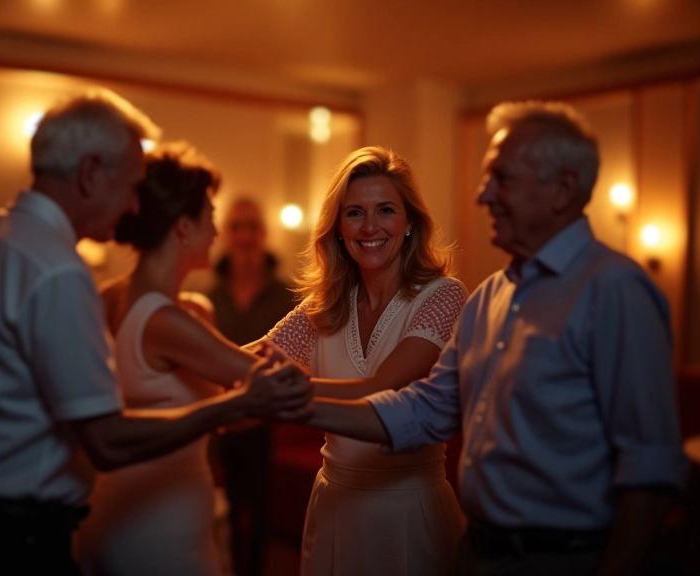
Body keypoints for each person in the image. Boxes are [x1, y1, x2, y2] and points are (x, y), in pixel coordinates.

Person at [0, 92, 312, 576]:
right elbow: (108, 440)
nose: (136, 204)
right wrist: (234, 404)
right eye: (132, 184)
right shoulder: (59, 271)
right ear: (90, 173)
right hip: (12, 539)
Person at [297, 101, 688, 576]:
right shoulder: (489, 299)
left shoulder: (613, 290)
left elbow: (650, 468)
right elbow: (426, 409)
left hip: (565, 558)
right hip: (477, 550)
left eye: (501, 179)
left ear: (562, 189)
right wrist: (291, 403)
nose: (483, 195)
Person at [263, 146, 468, 576]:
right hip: (335, 505)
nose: (370, 226)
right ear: (337, 228)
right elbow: (256, 357)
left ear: (409, 222)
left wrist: (273, 391)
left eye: (386, 210)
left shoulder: (443, 296)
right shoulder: (325, 306)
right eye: (354, 212)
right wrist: (185, 341)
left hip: (408, 509)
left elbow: (381, 388)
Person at [77, 143, 277, 575]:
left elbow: (227, 413)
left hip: (110, 507)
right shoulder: (167, 320)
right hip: (159, 524)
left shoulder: (109, 297)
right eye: (210, 215)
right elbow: (269, 385)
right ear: (183, 226)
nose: (217, 231)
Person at [206, 197, 294, 576]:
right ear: (225, 234)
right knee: (213, 508)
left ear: (264, 233)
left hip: (267, 421)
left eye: (251, 226)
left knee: (258, 512)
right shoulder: (205, 294)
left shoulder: (288, 296)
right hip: (215, 416)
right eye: (236, 226)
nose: (244, 235)